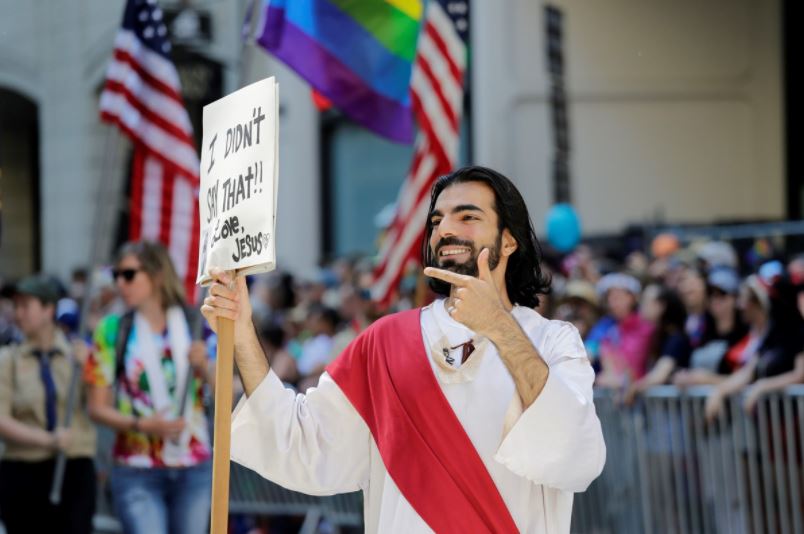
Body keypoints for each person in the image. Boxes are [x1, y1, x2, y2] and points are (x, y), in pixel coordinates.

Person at [203, 166, 606, 533]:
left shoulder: (554, 340)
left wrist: (499, 326)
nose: (446, 228)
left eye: (468, 216)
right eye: (437, 219)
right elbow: (304, 441)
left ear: (509, 239)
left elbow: (573, 453)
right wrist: (242, 334)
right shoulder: (384, 342)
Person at [84, 241, 212, 534]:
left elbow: (226, 391)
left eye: (128, 274)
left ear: (156, 275)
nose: (120, 283)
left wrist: (205, 366)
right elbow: (96, 408)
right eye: (116, 274)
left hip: (194, 465)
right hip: (135, 467)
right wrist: (143, 425)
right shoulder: (111, 329)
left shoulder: (197, 322)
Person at [0, 274, 97, 534]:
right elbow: (1, 419)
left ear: (48, 309)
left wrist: (90, 370)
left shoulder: (76, 354)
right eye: (15, 306)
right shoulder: (8, 360)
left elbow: (98, 407)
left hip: (73, 467)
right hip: (24, 469)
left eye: (25, 306)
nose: (18, 314)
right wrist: (47, 440)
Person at [589, 273, 654, 388]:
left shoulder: (646, 326)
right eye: (610, 298)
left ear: (632, 298)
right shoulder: (606, 329)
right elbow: (592, 352)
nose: (613, 302)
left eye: (618, 297)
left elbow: (635, 367)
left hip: (640, 392)